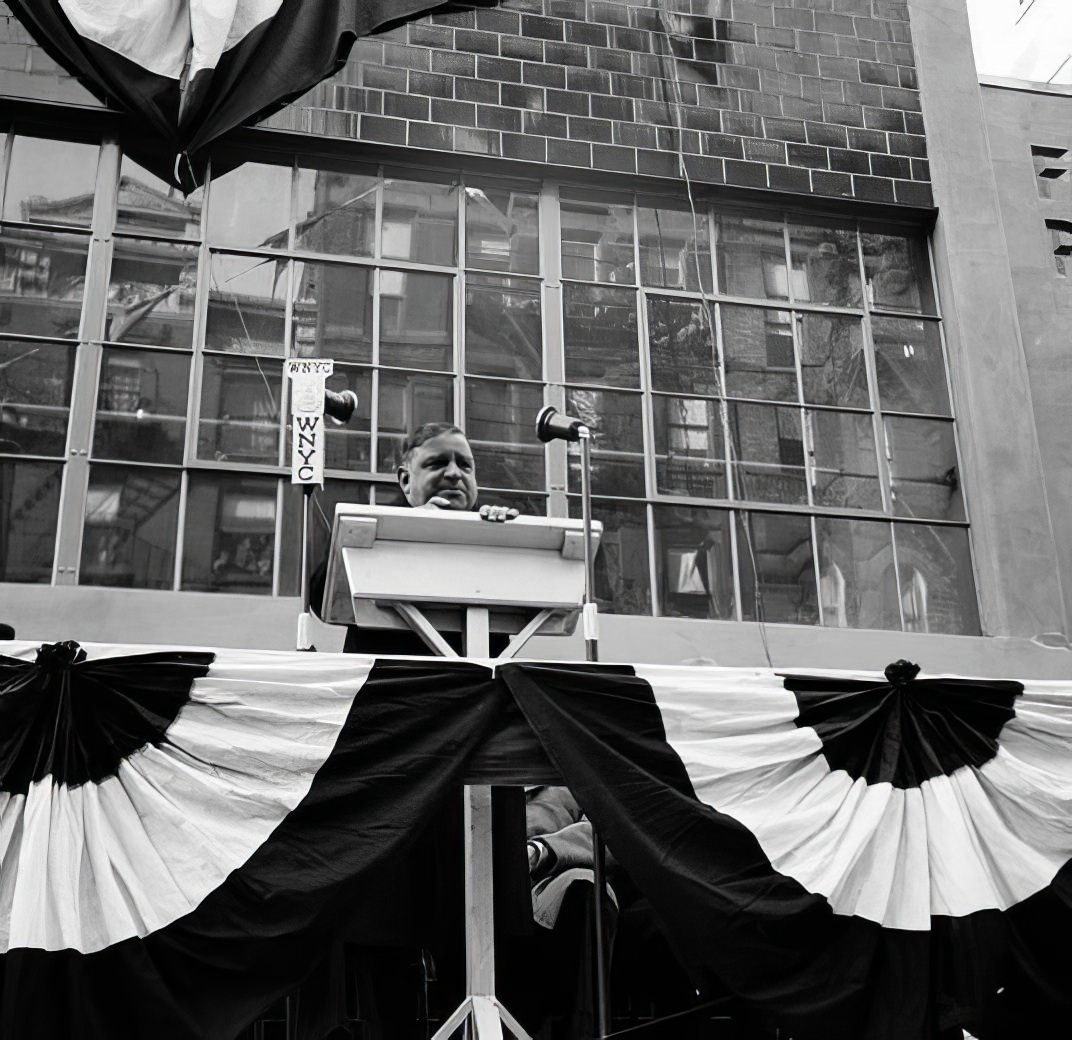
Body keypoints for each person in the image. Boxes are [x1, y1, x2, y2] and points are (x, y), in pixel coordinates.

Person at [311, 421, 517, 655]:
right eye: (437, 464)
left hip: (479, 685)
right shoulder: (365, 529)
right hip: (390, 683)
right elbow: (323, 600)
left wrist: (510, 538)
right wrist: (406, 527)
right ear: (406, 480)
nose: (454, 473)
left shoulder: (498, 530)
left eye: (465, 465)